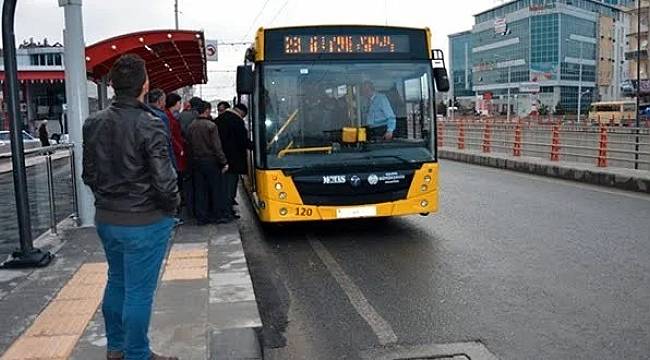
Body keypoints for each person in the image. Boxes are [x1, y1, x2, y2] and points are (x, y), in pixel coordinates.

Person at [82, 54, 179, 360]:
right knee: (139, 291)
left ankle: (116, 347)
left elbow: (89, 174)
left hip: (107, 218)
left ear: (111, 85)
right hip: (145, 220)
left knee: (117, 280)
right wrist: (170, 209)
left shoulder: (93, 123)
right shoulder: (150, 123)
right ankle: (137, 354)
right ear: (144, 84)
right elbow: (165, 181)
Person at [186, 101, 231, 225]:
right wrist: (224, 162)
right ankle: (217, 215)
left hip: (196, 161)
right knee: (216, 189)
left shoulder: (191, 126)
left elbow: (188, 146)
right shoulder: (211, 126)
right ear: (206, 110)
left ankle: (201, 217)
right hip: (211, 161)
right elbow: (217, 147)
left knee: (200, 190)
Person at [216, 103, 253, 217]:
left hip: (222, 159)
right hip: (233, 160)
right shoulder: (237, 121)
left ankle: (223, 209)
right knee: (230, 187)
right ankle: (227, 212)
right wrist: (255, 145)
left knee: (223, 186)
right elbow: (242, 141)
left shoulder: (219, 119)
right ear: (241, 113)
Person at [165, 93, 188, 223]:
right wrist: (180, 149)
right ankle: (174, 211)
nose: (180, 106)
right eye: (179, 103)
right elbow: (171, 137)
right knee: (176, 181)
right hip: (176, 154)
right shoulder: (168, 117)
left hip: (177, 153)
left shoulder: (170, 116)